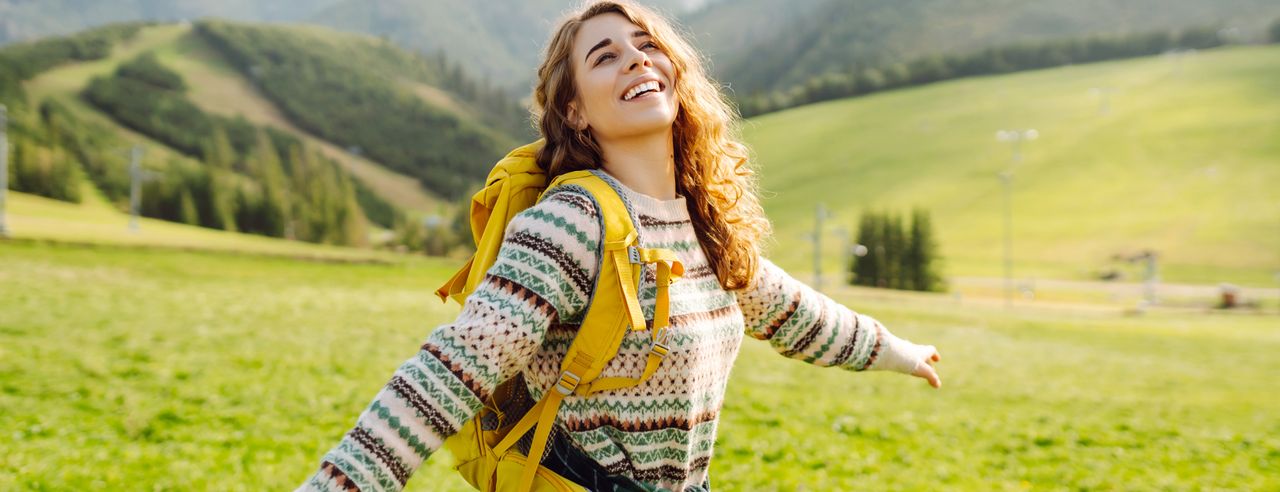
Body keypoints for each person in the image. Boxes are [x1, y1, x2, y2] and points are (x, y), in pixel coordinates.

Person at [298, 2, 941, 491]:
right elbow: (451, 371)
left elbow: (790, 311)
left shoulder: (700, 224)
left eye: (646, 44)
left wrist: (900, 353)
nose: (636, 59)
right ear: (575, 112)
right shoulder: (573, 223)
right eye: (604, 57)